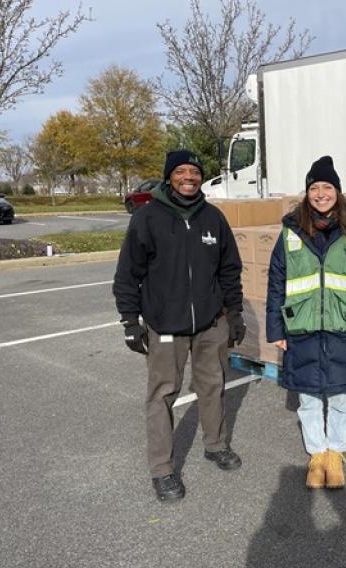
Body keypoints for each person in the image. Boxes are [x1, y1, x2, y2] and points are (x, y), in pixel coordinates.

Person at [113, 149, 246, 502]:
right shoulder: (147, 218)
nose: (189, 177)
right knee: (161, 396)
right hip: (164, 324)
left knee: (213, 386)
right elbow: (128, 274)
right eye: (181, 171)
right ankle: (162, 470)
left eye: (195, 172)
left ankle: (215, 445)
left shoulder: (214, 218)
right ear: (169, 176)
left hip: (210, 324)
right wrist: (130, 320)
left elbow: (229, 270)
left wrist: (234, 313)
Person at [266, 156, 346, 489]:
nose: (320, 194)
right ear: (307, 193)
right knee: (309, 396)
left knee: (341, 396)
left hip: (344, 324)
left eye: (327, 187)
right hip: (302, 325)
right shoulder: (290, 230)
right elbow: (276, 279)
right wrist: (276, 328)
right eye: (314, 188)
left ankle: (335, 454)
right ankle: (316, 454)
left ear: (337, 192)